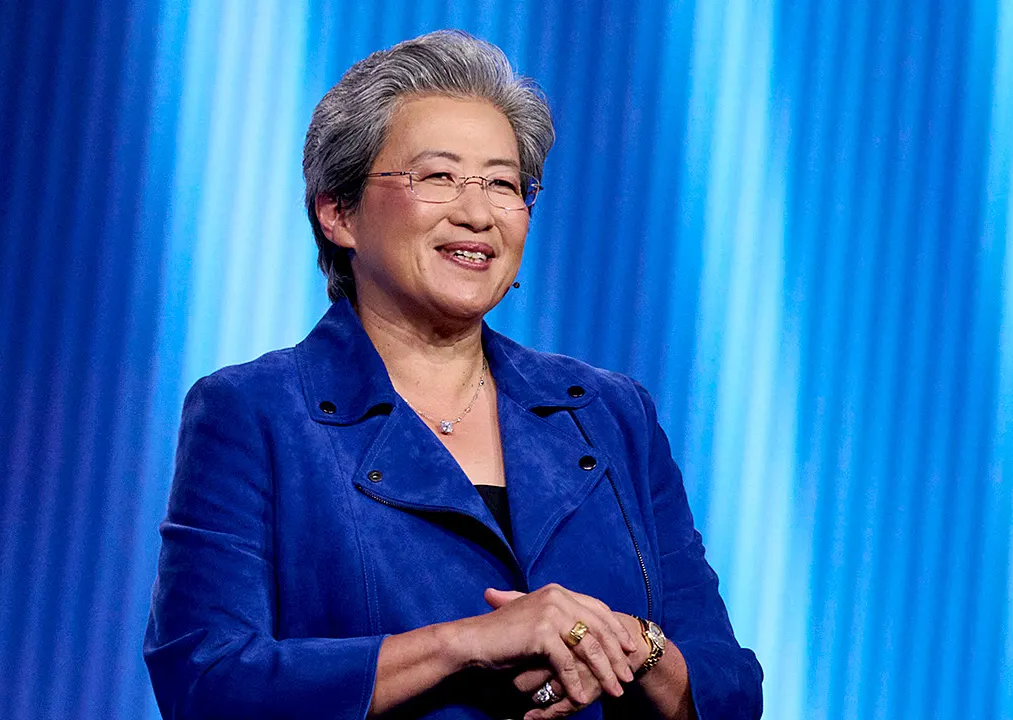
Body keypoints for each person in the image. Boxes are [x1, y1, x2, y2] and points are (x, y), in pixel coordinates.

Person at [144, 30, 762, 720]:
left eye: (503, 184)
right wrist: (465, 644)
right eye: (437, 177)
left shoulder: (610, 413)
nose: (477, 213)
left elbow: (730, 689)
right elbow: (207, 682)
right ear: (338, 212)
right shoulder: (254, 412)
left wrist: (632, 645)